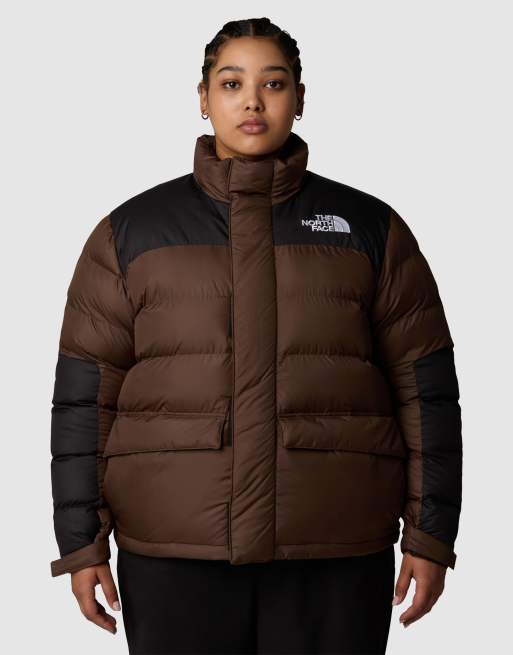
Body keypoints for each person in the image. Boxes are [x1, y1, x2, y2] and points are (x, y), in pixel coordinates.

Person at [49, 16, 462, 655]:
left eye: (273, 83)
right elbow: (84, 401)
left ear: (300, 98)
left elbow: (426, 392)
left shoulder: (369, 229)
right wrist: (81, 544)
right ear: (203, 97)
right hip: (174, 551)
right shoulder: (130, 234)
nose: (252, 101)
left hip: (333, 548)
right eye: (231, 83)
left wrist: (431, 536)